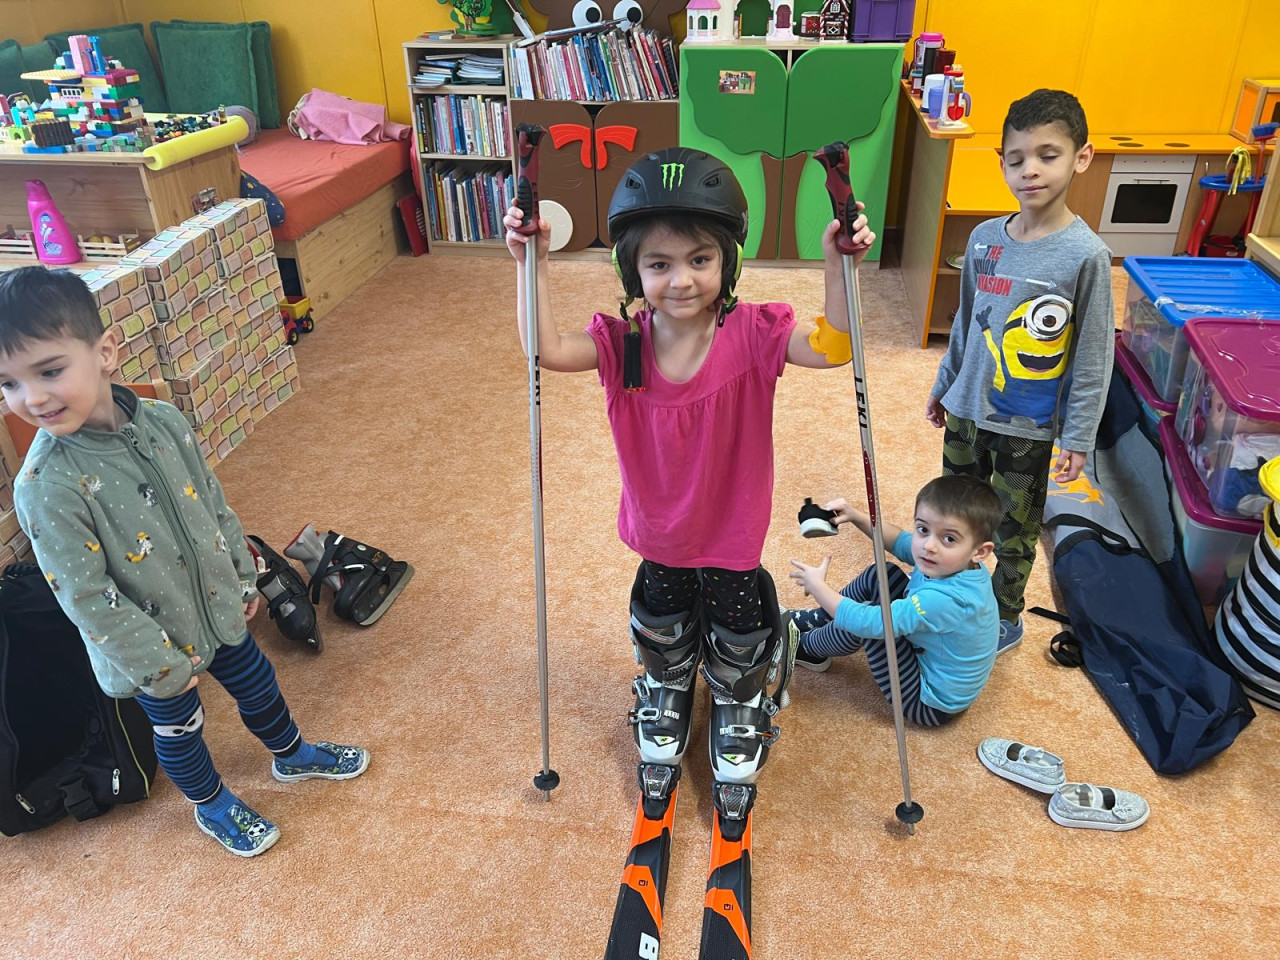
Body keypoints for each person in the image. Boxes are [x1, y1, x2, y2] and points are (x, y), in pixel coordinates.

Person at [504, 147, 874, 818]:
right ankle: (668, 684)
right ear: (632, 270)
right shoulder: (623, 343)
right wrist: (532, 264)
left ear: (728, 261)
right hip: (661, 527)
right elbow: (544, 350)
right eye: (659, 265)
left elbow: (832, 348)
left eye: (700, 259)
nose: (681, 280)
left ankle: (738, 694)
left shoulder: (754, 332)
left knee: (738, 620)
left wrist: (836, 263)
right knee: (663, 612)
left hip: (732, 527)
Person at [1, 266, 368, 858]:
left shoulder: (165, 421)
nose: (32, 398)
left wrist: (244, 577)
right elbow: (85, 596)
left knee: (260, 685)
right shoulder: (47, 484)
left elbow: (213, 505)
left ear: (105, 352)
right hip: (150, 650)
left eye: (49, 371)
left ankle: (292, 755)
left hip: (218, 607)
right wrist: (156, 665)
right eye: (9, 383)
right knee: (180, 729)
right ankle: (210, 803)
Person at [925, 88, 1114, 654]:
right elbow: (965, 325)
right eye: (1016, 158)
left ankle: (1003, 618)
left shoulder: (1086, 255)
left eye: (1047, 155)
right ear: (1002, 163)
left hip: (1025, 429)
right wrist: (944, 386)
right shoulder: (983, 240)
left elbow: (1093, 357)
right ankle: (952, 596)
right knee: (955, 515)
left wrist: (1078, 435)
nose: (1030, 170)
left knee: (1012, 531)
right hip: (965, 413)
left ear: (1081, 157)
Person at [787, 475, 1002, 726]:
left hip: (926, 703)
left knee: (872, 620)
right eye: (923, 529)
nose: (929, 546)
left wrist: (818, 587)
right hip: (929, 663)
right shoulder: (957, 563)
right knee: (882, 574)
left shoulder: (946, 600)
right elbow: (901, 542)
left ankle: (804, 648)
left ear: (980, 551)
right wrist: (856, 516)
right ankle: (818, 619)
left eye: (949, 539)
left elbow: (871, 623)